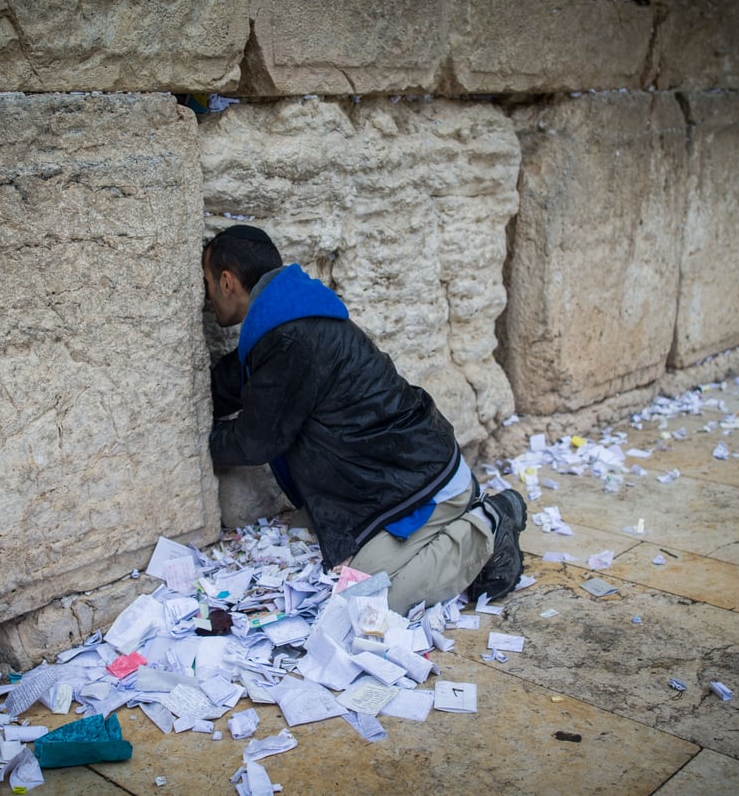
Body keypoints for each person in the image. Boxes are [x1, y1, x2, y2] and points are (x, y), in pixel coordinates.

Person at [202, 225, 526, 614]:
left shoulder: (289, 337)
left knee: (374, 600)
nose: (206, 298)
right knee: (348, 567)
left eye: (206, 284)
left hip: (420, 485)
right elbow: (237, 382)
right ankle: (457, 519)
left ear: (227, 281)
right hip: (404, 477)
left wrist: (193, 440)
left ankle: (491, 522)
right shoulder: (287, 320)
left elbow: (256, 441)